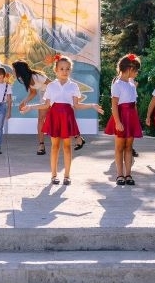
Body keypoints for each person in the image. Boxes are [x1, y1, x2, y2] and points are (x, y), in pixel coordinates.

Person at [20, 54, 104, 185]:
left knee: (67, 147)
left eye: (67, 69)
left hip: (67, 117)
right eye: (62, 69)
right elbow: (46, 105)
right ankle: (54, 175)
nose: (65, 71)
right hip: (54, 117)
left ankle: (67, 175)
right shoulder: (51, 86)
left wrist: (92, 105)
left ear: (70, 70)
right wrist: (30, 107)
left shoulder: (74, 86)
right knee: (55, 146)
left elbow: (76, 105)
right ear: (56, 70)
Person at [12, 59, 86, 155]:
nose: (12, 71)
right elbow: (33, 92)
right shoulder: (24, 78)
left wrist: (60, 99)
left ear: (19, 70)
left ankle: (77, 137)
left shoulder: (37, 76)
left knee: (62, 118)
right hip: (44, 96)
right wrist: (24, 101)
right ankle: (41, 145)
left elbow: (53, 85)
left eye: (13, 69)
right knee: (41, 119)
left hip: (52, 96)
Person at [104, 54, 142, 185]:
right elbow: (114, 104)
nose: (137, 73)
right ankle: (120, 174)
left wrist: (136, 121)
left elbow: (134, 104)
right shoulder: (117, 84)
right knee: (120, 146)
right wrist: (118, 122)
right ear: (130, 69)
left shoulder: (132, 85)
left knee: (129, 147)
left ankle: (128, 174)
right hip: (121, 117)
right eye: (136, 70)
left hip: (131, 118)